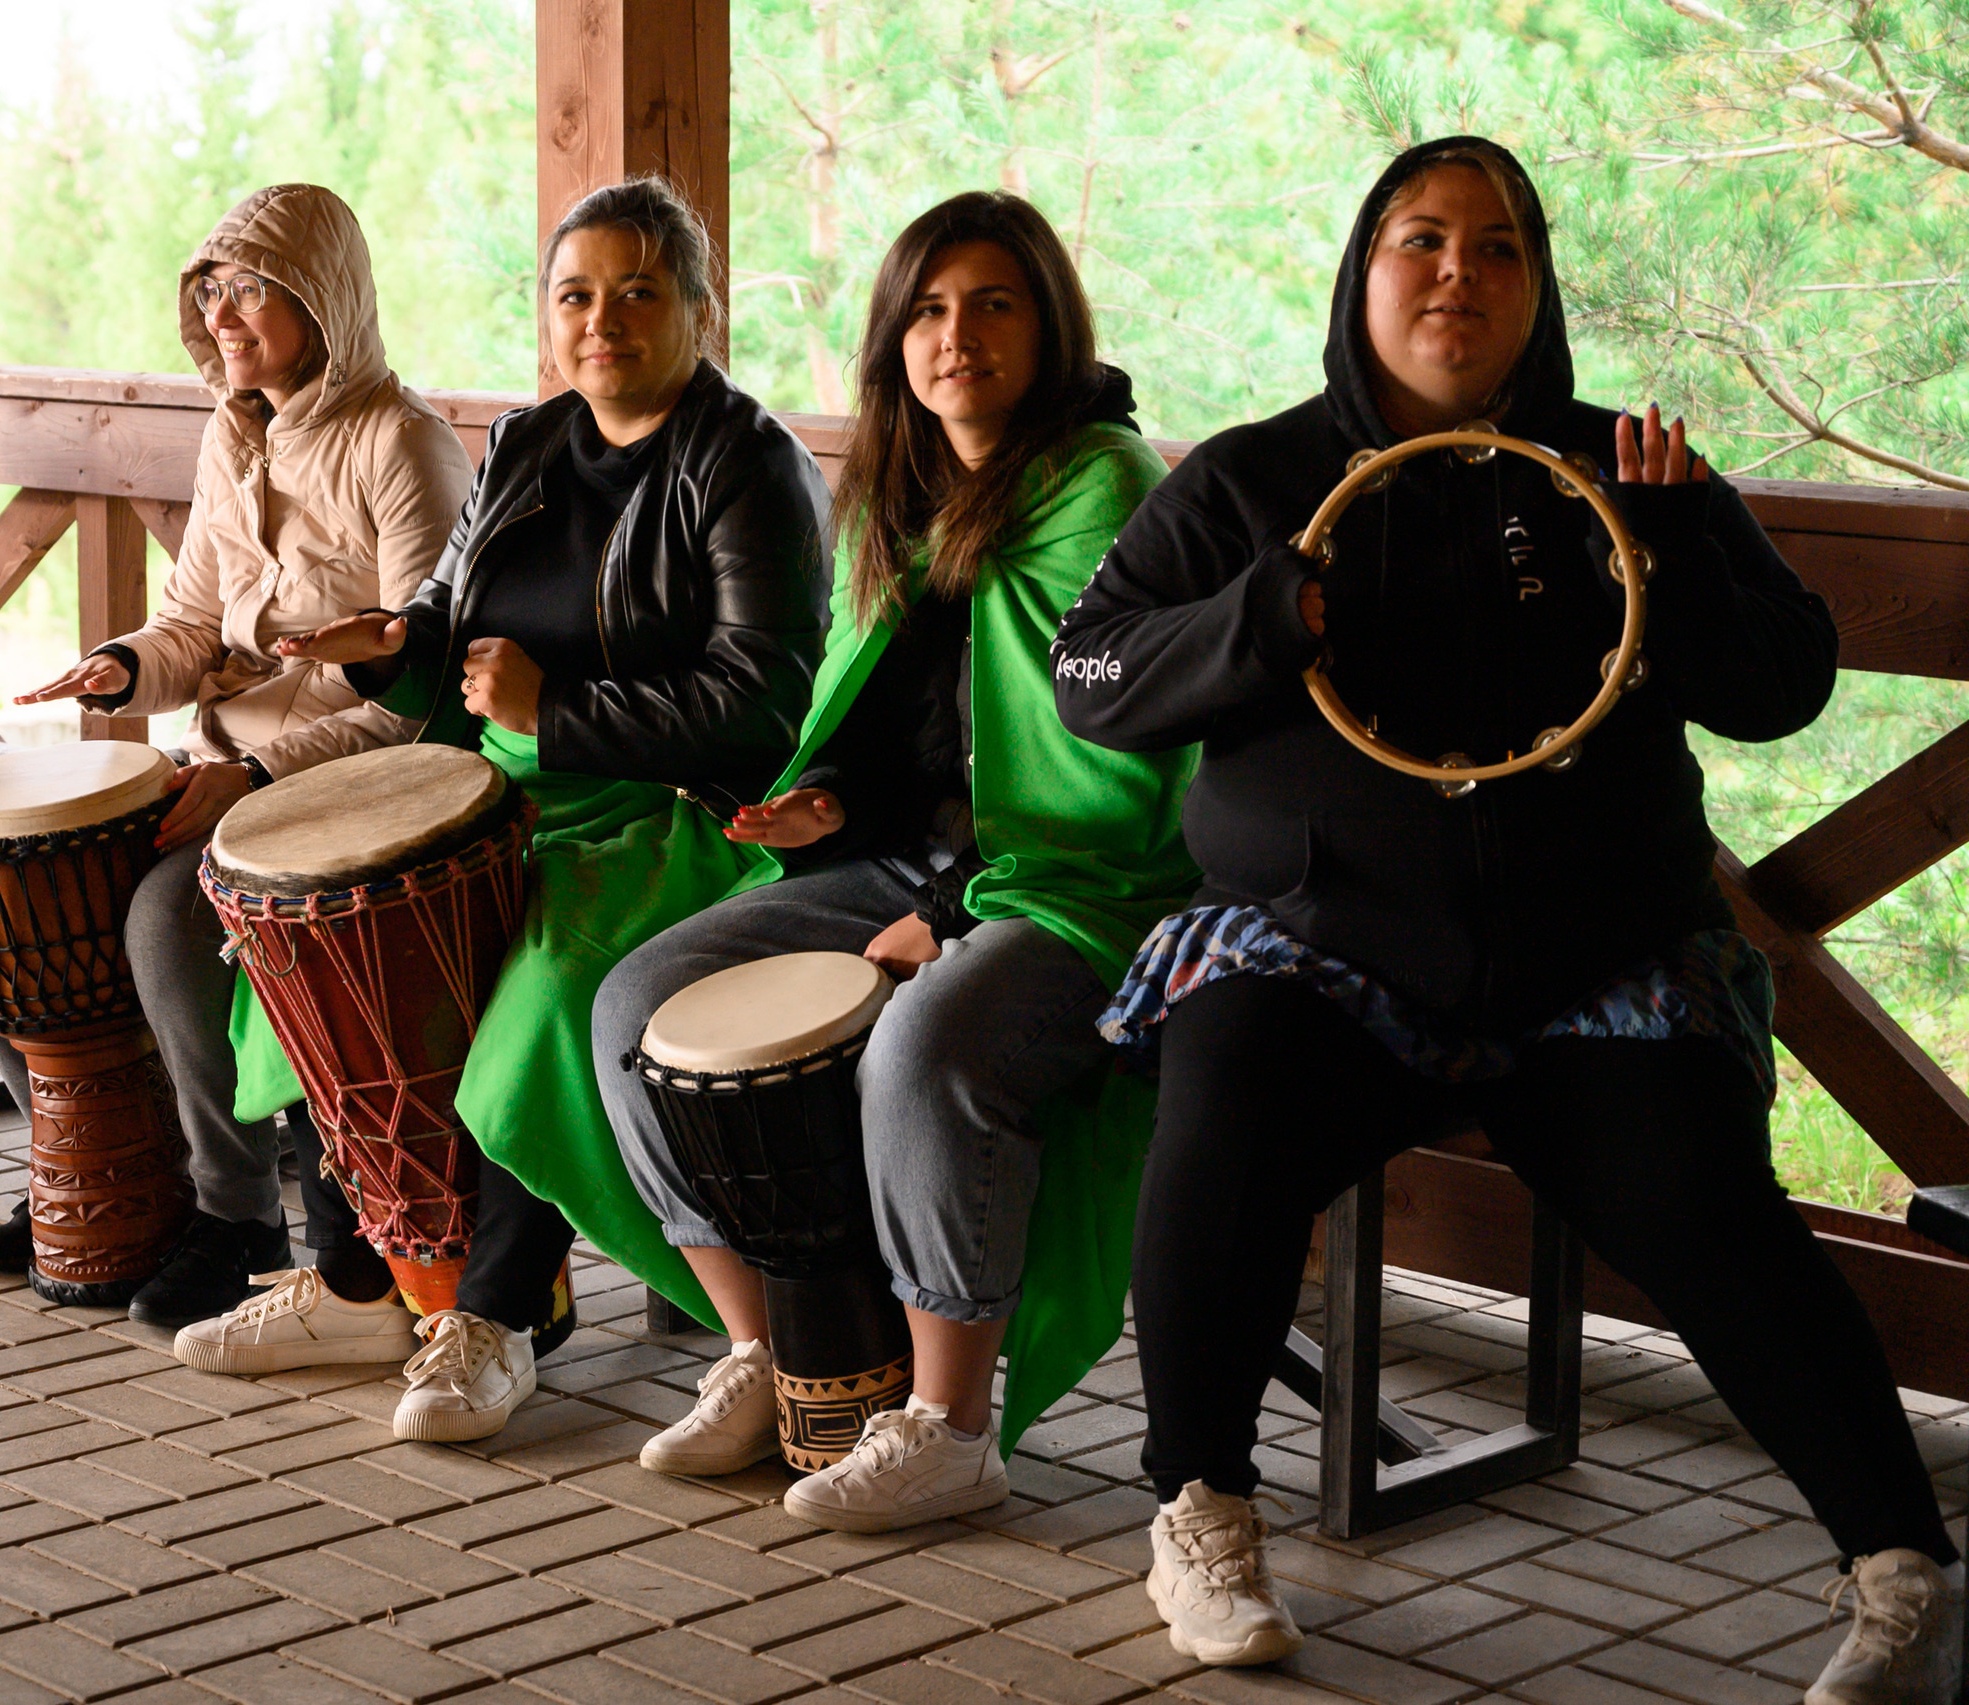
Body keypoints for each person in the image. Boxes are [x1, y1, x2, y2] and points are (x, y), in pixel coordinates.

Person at [1052, 136, 1961, 1701]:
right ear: (1365, 273)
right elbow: (1094, 680)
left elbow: (1788, 684)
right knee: (1228, 1087)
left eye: (1497, 248)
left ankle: (1905, 1568)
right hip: (1320, 948)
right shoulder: (1254, 478)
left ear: (1538, 288)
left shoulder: (1630, 463)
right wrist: (1260, 614)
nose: (1457, 274)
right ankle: (1196, 1505)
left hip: (1593, 967)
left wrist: (1674, 553)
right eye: (1421, 240)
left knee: (1702, 1191)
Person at [590, 192, 1197, 1531]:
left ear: (1049, 323)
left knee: (924, 1043)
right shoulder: (907, 489)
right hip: (907, 869)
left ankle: (947, 1424)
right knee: (636, 1010)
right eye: (926, 308)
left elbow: (1109, 761)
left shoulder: (1104, 484)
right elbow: (904, 717)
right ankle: (763, 1351)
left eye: (993, 304)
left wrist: (950, 914)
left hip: (1075, 882)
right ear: (891, 338)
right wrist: (825, 800)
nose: (956, 335)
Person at [227, 176, 832, 1444]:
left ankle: (495, 1318)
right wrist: (385, 651)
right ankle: (357, 1281)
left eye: (636, 293)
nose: (600, 320)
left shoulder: (748, 463)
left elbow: (761, 703)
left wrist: (558, 709)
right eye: (575, 295)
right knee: (314, 934)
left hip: (680, 815)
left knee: (542, 977)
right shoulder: (523, 446)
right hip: (515, 789)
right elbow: (447, 628)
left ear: (699, 312)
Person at [0, 183, 475, 1329]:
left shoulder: (401, 443)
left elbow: (422, 696)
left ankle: (236, 1220)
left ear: (322, 294)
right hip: (223, 770)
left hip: (348, 788)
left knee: (164, 917)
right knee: (20, 892)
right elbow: (194, 622)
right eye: (213, 288)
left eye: (251, 287)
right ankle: (98, 1178)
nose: (225, 312)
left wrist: (255, 778)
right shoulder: (230, 433)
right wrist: (122, 665)